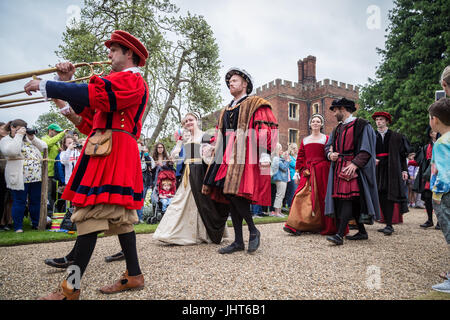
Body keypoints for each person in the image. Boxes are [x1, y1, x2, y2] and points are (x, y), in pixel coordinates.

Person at [24, 30, 149, 299]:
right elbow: (89, 115)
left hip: (112, 150)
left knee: (90, 217)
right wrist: (65, 81)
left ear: (129, 54)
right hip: (108, 147)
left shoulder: (131, 79)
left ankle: (70, 288)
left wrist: (50, 85)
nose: (108, 53)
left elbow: (96, 95)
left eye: (113, 49)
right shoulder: (118, 81)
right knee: (120, 217)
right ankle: (135, 274)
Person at [202, 67, 278, 254]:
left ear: (245, 84)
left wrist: (265, 153)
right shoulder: (226, 109)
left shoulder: (255, 103)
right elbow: (221, 133)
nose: (230, 83)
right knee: (228, 194)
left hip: (246, 153)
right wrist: (213, 147)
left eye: (234, 80)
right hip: (226, 154)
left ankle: (253, 230)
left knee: (235, 193)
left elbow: (264, 129)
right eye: (229, 81)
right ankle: (238, 241)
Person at [153, 112, 230, 245]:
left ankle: (203, 233)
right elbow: (175, 153)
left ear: (197, 121)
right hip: (188, 172)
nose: (188, 123)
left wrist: (211, 150)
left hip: (200, 171)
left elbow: (210, 156)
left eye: (191, 120)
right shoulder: (185, 138)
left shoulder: (204, 136)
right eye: (186, 121)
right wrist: (175, 151)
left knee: (202, 202)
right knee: (181, 201)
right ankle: (172, 233)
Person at [324, 98, 380, 245]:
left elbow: (366, 150)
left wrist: (355, 164)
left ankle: (339, 235)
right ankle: (361, 231)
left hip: (353, 168)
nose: (334, 114)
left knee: (347, 199)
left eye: (335, 110)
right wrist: (331, 155)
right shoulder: (337, 129)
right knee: (351, 200)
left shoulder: (362, 125)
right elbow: (328, 147)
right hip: (339, 167)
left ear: (343, 109)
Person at [284, 114, 339, 236]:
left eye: (318, 121)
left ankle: (323, 225)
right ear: (310, 124)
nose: (315, 123)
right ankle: (295, 225)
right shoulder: (305, 140)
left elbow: (329, 153)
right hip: (308, 171)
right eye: (313, 121)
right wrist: (297, 173)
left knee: (322, 197)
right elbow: (300, 157)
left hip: (323, 171)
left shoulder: (326, 138)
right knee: (300, 195)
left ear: (321, 124)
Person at [0, 119, 47, 232]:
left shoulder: (28, 139)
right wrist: (18, 136)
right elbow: (12, 151)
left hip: (35, 176)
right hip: (19, 177)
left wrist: (32, 138)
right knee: (19, 201)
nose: (22, 130)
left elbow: (44, 147)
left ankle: (36, 223)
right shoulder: (6, 140)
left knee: (35, 201)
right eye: (19, 128)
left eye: (23, 128)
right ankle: (18, 226)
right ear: (12, 128)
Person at [372, 111, 409, 236]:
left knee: (390, 194)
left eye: (381, 119)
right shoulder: (372, 135)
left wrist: (404, 170)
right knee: (380, 194)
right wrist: (372, 159)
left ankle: (389, 225)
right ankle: (386, 222)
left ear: (387, 121)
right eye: (377, 120)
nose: (379, 122)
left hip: (392, 168)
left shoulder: (396, 136)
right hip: (377, 168)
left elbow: (402, 155)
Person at [428, 97, 450, 293]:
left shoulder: (441, 143)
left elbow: (444, 173)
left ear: (434, 120)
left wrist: (437, 195)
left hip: (446, 196)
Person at [41, 123, 67, 215]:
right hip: (46, 173)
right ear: (50, 130)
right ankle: (45, 216)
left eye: (59, 132)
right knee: (46, 195)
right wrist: (62, 134)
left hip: (54, 174)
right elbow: (47, 144)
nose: (57, 134)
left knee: (52, 196)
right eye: (56, 132)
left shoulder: (56, 142)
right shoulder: (44, 139)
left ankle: (52, 215)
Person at [415, 127, 438, 228]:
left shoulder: (445, 145)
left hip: (441, 174)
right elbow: (419, 160)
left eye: (437, 131)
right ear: (430, 134)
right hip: (429, 174)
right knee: (428, 198)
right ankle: (430, 220)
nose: (435, 133)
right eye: (433, 132)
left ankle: (441, 221)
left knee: (439, 198)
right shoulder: (426, 147)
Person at [270, 144, 289, 217]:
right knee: (279, 195)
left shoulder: (278, 158)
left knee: (281, 195)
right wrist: (287, 161)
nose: (282, 151)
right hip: (280, 179)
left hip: (283, 178)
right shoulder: (276, 159)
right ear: (277, 150)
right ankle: (276, 212)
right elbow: (284, 168)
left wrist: (285, 159)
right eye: (281, 149)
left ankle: (279, 211)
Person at [0, 122, 12, 231]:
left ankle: (8, 221)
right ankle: (1, 222)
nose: (5, 131)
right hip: (1, 172)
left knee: (8, 199)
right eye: (3, 129)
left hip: (8, 173)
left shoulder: (8, 141)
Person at [284, 143, 298, 208]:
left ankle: (294, 205)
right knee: (292, 192)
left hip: (296, 177)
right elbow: (295, 165)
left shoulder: (296, 156)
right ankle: (290, 206)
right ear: (292, 149)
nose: (297, 149)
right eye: (295, 148)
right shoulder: (290, 157)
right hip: (292, 176)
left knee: (295, 192)